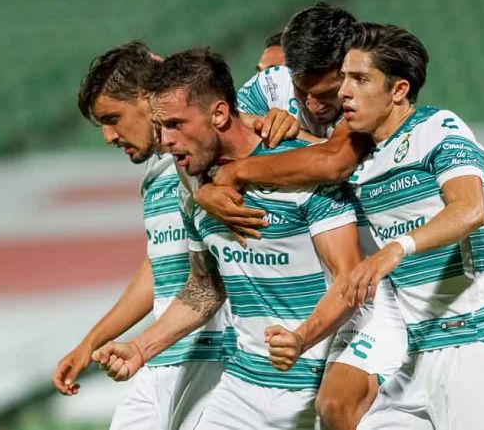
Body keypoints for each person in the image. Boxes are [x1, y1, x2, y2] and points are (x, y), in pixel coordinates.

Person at [214, 21, 484, 429]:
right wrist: (213, 186)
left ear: (398, 90)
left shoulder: (437, 129)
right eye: (344, 77)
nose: (344, 91)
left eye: (360, 79)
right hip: (409, 355)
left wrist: (393, 251)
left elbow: (470, 210)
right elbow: (313, 157)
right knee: (336, 411)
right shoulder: (362, 161)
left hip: (474, 341)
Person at [92, 48, 366, 430]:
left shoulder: (301, 174)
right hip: (245, 386)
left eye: (175, 125)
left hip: (317, 381)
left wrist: (301, 338)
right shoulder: (195, 190)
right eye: (159, 128)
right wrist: (141, 347)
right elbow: (205, 287)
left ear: (218, 114)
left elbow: (350, 280)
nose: (166, 142)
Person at [52, 41, 296, 429]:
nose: (108, 136)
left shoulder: (213, 154)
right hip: (162, 351)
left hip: (219, 351)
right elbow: (162, 266)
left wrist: (272, 121)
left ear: (147, 99)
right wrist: (92, 341)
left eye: (112, 118)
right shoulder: (158, 174)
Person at [205, 3, 408, 429]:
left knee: (340, 406)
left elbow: (334, 162)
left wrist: (242, 169)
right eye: (303, 93)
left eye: (327, 93)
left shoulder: (372, 94)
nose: (315, 106)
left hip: (385, 282)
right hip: (317, 286)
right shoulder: (268, 86)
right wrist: (206, 189)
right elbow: (214, 141)